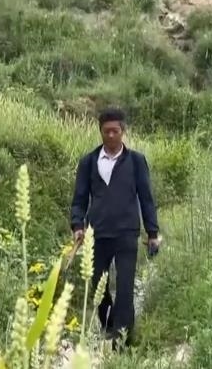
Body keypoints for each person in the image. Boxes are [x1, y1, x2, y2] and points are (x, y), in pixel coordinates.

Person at [69, 107, 160, 349]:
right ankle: (108, 325)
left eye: (115, 131)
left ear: (123, 131)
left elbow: (146, 199)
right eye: (106, 131)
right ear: (100, 131)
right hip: (97, 234)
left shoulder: (136, 161)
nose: (110, 135)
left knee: (125, 286)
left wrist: (152, 233)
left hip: (126, 233)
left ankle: (122, 339)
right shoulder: (88, 162)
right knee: (98, 284)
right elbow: (79, 199)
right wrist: (77, 225)